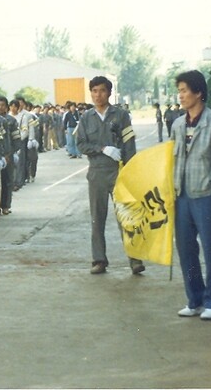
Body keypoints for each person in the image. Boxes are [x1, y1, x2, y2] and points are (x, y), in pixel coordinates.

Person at [172, 70, 211, 321]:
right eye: (179, 90)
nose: (181, 95)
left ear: (199, 92)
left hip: (207, 195)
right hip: (182, 196)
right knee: (186, 250)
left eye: (185, 90)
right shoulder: (178, 125)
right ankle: (195, 299)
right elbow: (173, 160)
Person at [75, 76, 145, 275]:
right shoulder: (86, 117)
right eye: (94, 91)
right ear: (91, 93)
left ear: (109, 92)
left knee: (126, 217)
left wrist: (131, 171)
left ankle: (135, 259)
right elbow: (81, 144)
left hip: (119, 172)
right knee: (97, 218)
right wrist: (102, 148)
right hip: (97, 172)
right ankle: (99, 260)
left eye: (102, 91)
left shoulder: (121, 115)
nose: (98, 95)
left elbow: (130, 144)